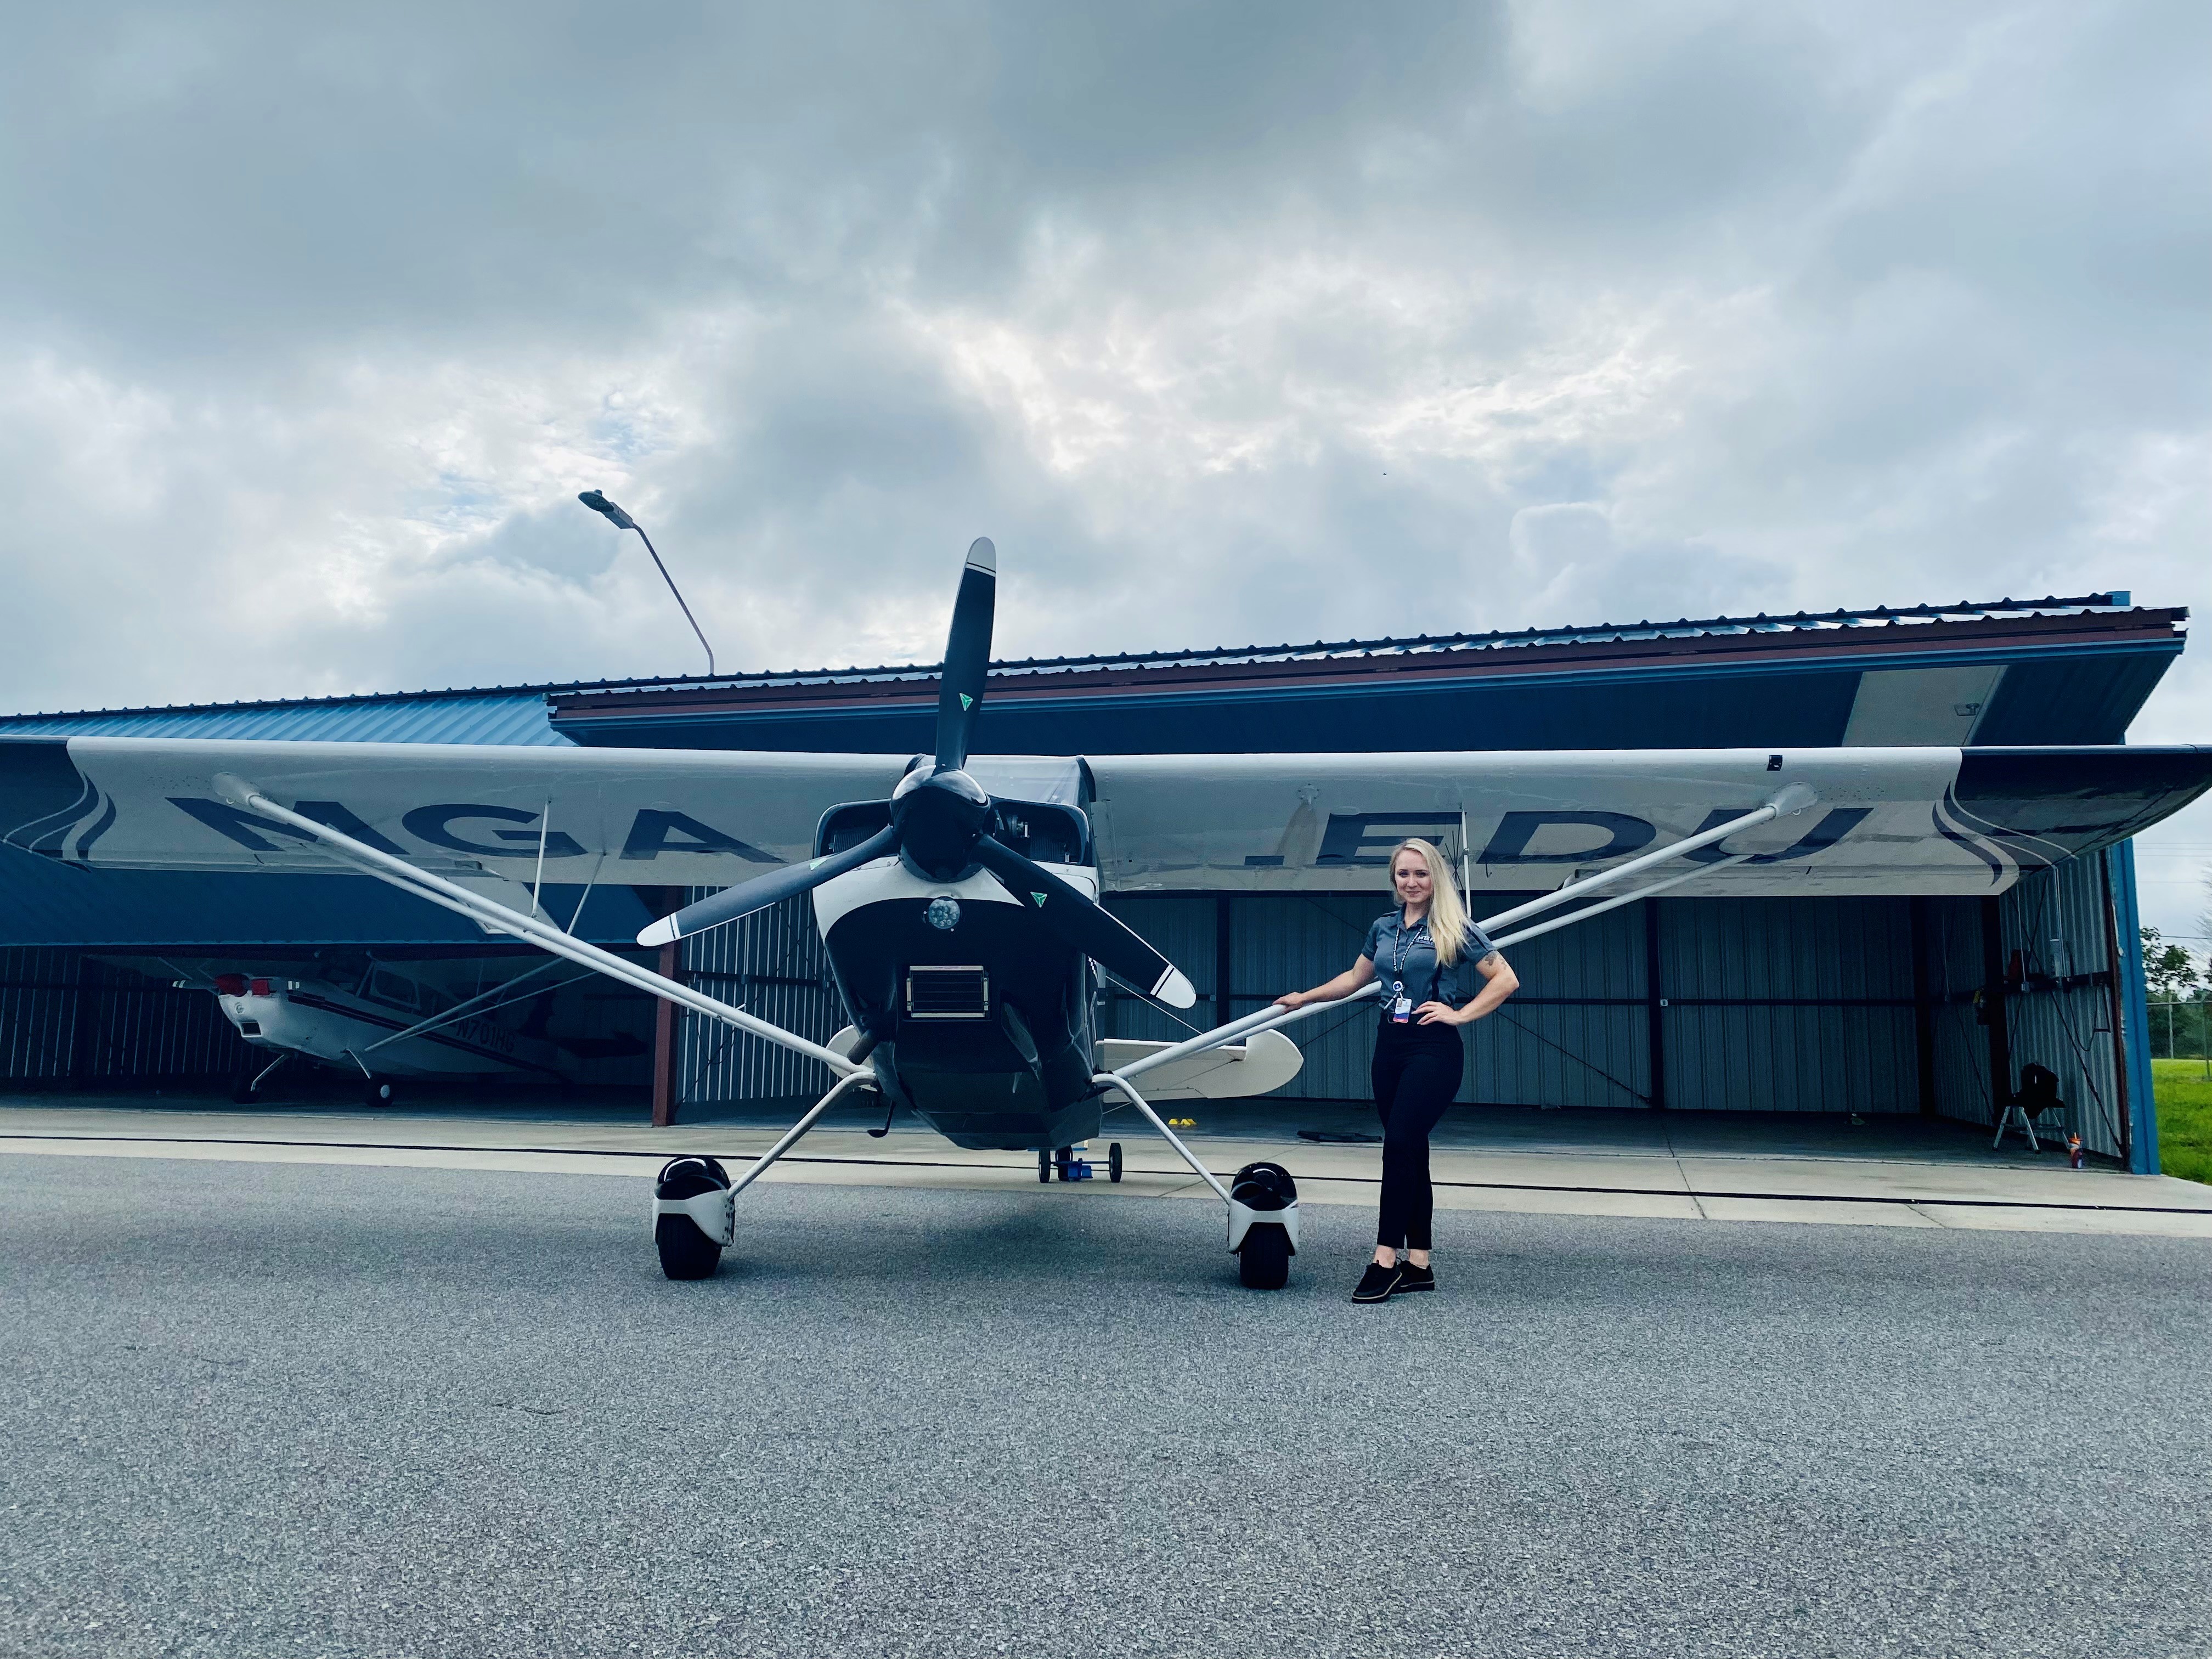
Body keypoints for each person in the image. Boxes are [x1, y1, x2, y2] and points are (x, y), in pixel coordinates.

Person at [1274, 837, 1518, 1302]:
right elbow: (1355, 979)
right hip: (1389, 1045)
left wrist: (1460, 1015)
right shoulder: (1383, 927)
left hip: (1434, 1048)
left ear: (1436, 879)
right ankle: (1420, 1264)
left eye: (1421, 874)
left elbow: (1505, 979)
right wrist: (1304, 996)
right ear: (1394, 878)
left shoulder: (1455, 926)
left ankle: (1384, 1260)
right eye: (1404, 874)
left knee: (1398, 1147)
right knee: (1412, 1153)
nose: (1412, 882)